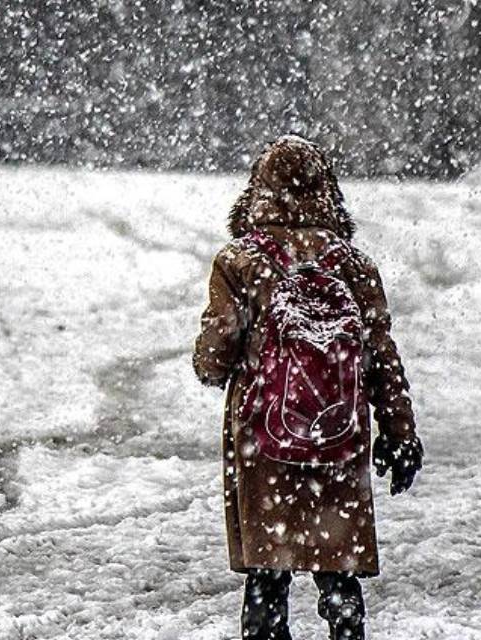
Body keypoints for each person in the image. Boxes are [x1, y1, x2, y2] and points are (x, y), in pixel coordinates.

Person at [193, 135, 423, 640]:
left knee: (267, 575)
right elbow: (381, 356)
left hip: (264, 436)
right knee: (336, 564)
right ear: (328, 193)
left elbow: (218, 349)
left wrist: (210, 365)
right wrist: (400, 432)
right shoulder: (354, 265)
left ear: (257, 192)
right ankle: (345, 628)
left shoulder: (239, 262)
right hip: (337, 436)